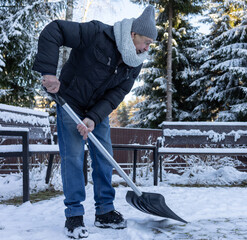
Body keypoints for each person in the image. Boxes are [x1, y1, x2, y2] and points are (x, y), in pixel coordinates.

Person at [32, 5, 157, 239]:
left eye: (150, 45)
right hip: (70, 101)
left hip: (97, 111)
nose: (146, 49)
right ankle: (74, 216)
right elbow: (54, 30)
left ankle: (105, 212)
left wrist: (93, 118)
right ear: (133, 35)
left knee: (104, 156)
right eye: (146, 42)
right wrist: (48, 72)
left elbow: (116, 94)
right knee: (73, 157)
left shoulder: (136, 63)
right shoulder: (98, 34)